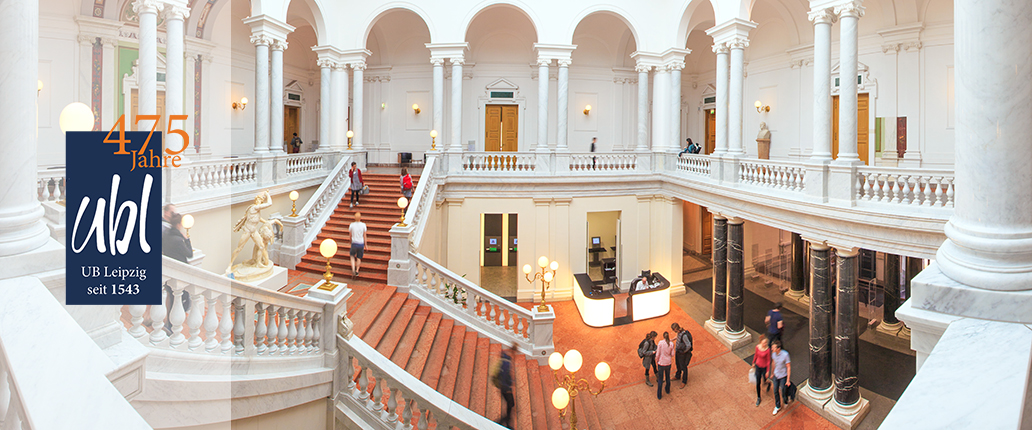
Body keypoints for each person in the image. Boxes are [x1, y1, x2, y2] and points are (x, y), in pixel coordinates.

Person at [495, 342, 516, 429]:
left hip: (504, 386)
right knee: (511, 403)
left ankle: (505, 421)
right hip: (505, 387)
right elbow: (505, 375)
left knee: (510, 404)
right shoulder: (507, 362)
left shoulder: (506, 358)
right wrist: (507, 387)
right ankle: (504, 421)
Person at [770, 340, 791, 415]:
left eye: (773, 347)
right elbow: (773, 363)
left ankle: (785, 399)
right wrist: (772, 373)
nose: (772, 349)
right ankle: (777, 406)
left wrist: (788, 380)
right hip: (776, 375)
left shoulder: (785, 355)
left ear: (778, 348)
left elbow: (788, 367)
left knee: (783, 390)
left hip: (783, 376)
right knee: (775, 390)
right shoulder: (773, 354)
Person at [672, 322, 693, 388]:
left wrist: (684, 351)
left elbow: (688, 345)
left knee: (683, 367)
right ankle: (677, 375)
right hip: (678, 351)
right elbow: (678, 337)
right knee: (678, 364)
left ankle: (684, 381)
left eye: (673, 329)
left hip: (682, 353)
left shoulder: (684, 335)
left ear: (675, 328)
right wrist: (673, 339)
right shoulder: (679, 333)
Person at [655, 331, 675, 399]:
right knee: (667, 377)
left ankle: (659, 394)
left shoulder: (660, 343)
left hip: (661, 363)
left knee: (660, 379)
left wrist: (657, 360)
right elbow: (672, 354)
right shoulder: (671, 344)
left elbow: (658, 354)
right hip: (668, 363)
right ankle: (667, 390)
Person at [752, 337, 772, 406]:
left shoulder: (767, 350)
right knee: (758, 383)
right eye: (764, 343)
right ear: (761, 342)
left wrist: (767, 371)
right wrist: (753, 362)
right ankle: (758, 397)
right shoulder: (757, 347)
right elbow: (756, 355)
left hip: (764, 368)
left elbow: (768, 361)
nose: (765, 344)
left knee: (764, 380)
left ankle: (768, 383)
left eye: (766, 343)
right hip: (758, 366)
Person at [349, 212, 367, 279]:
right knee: (359, 257)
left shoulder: (352, 225)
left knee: (352, 256)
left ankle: (353, 269)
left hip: (354, 242)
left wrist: (350, 241)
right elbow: (364, 236)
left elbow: (350, 235)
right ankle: (357, 270)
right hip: (361, 243)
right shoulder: (363, 225)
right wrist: (366, 245)